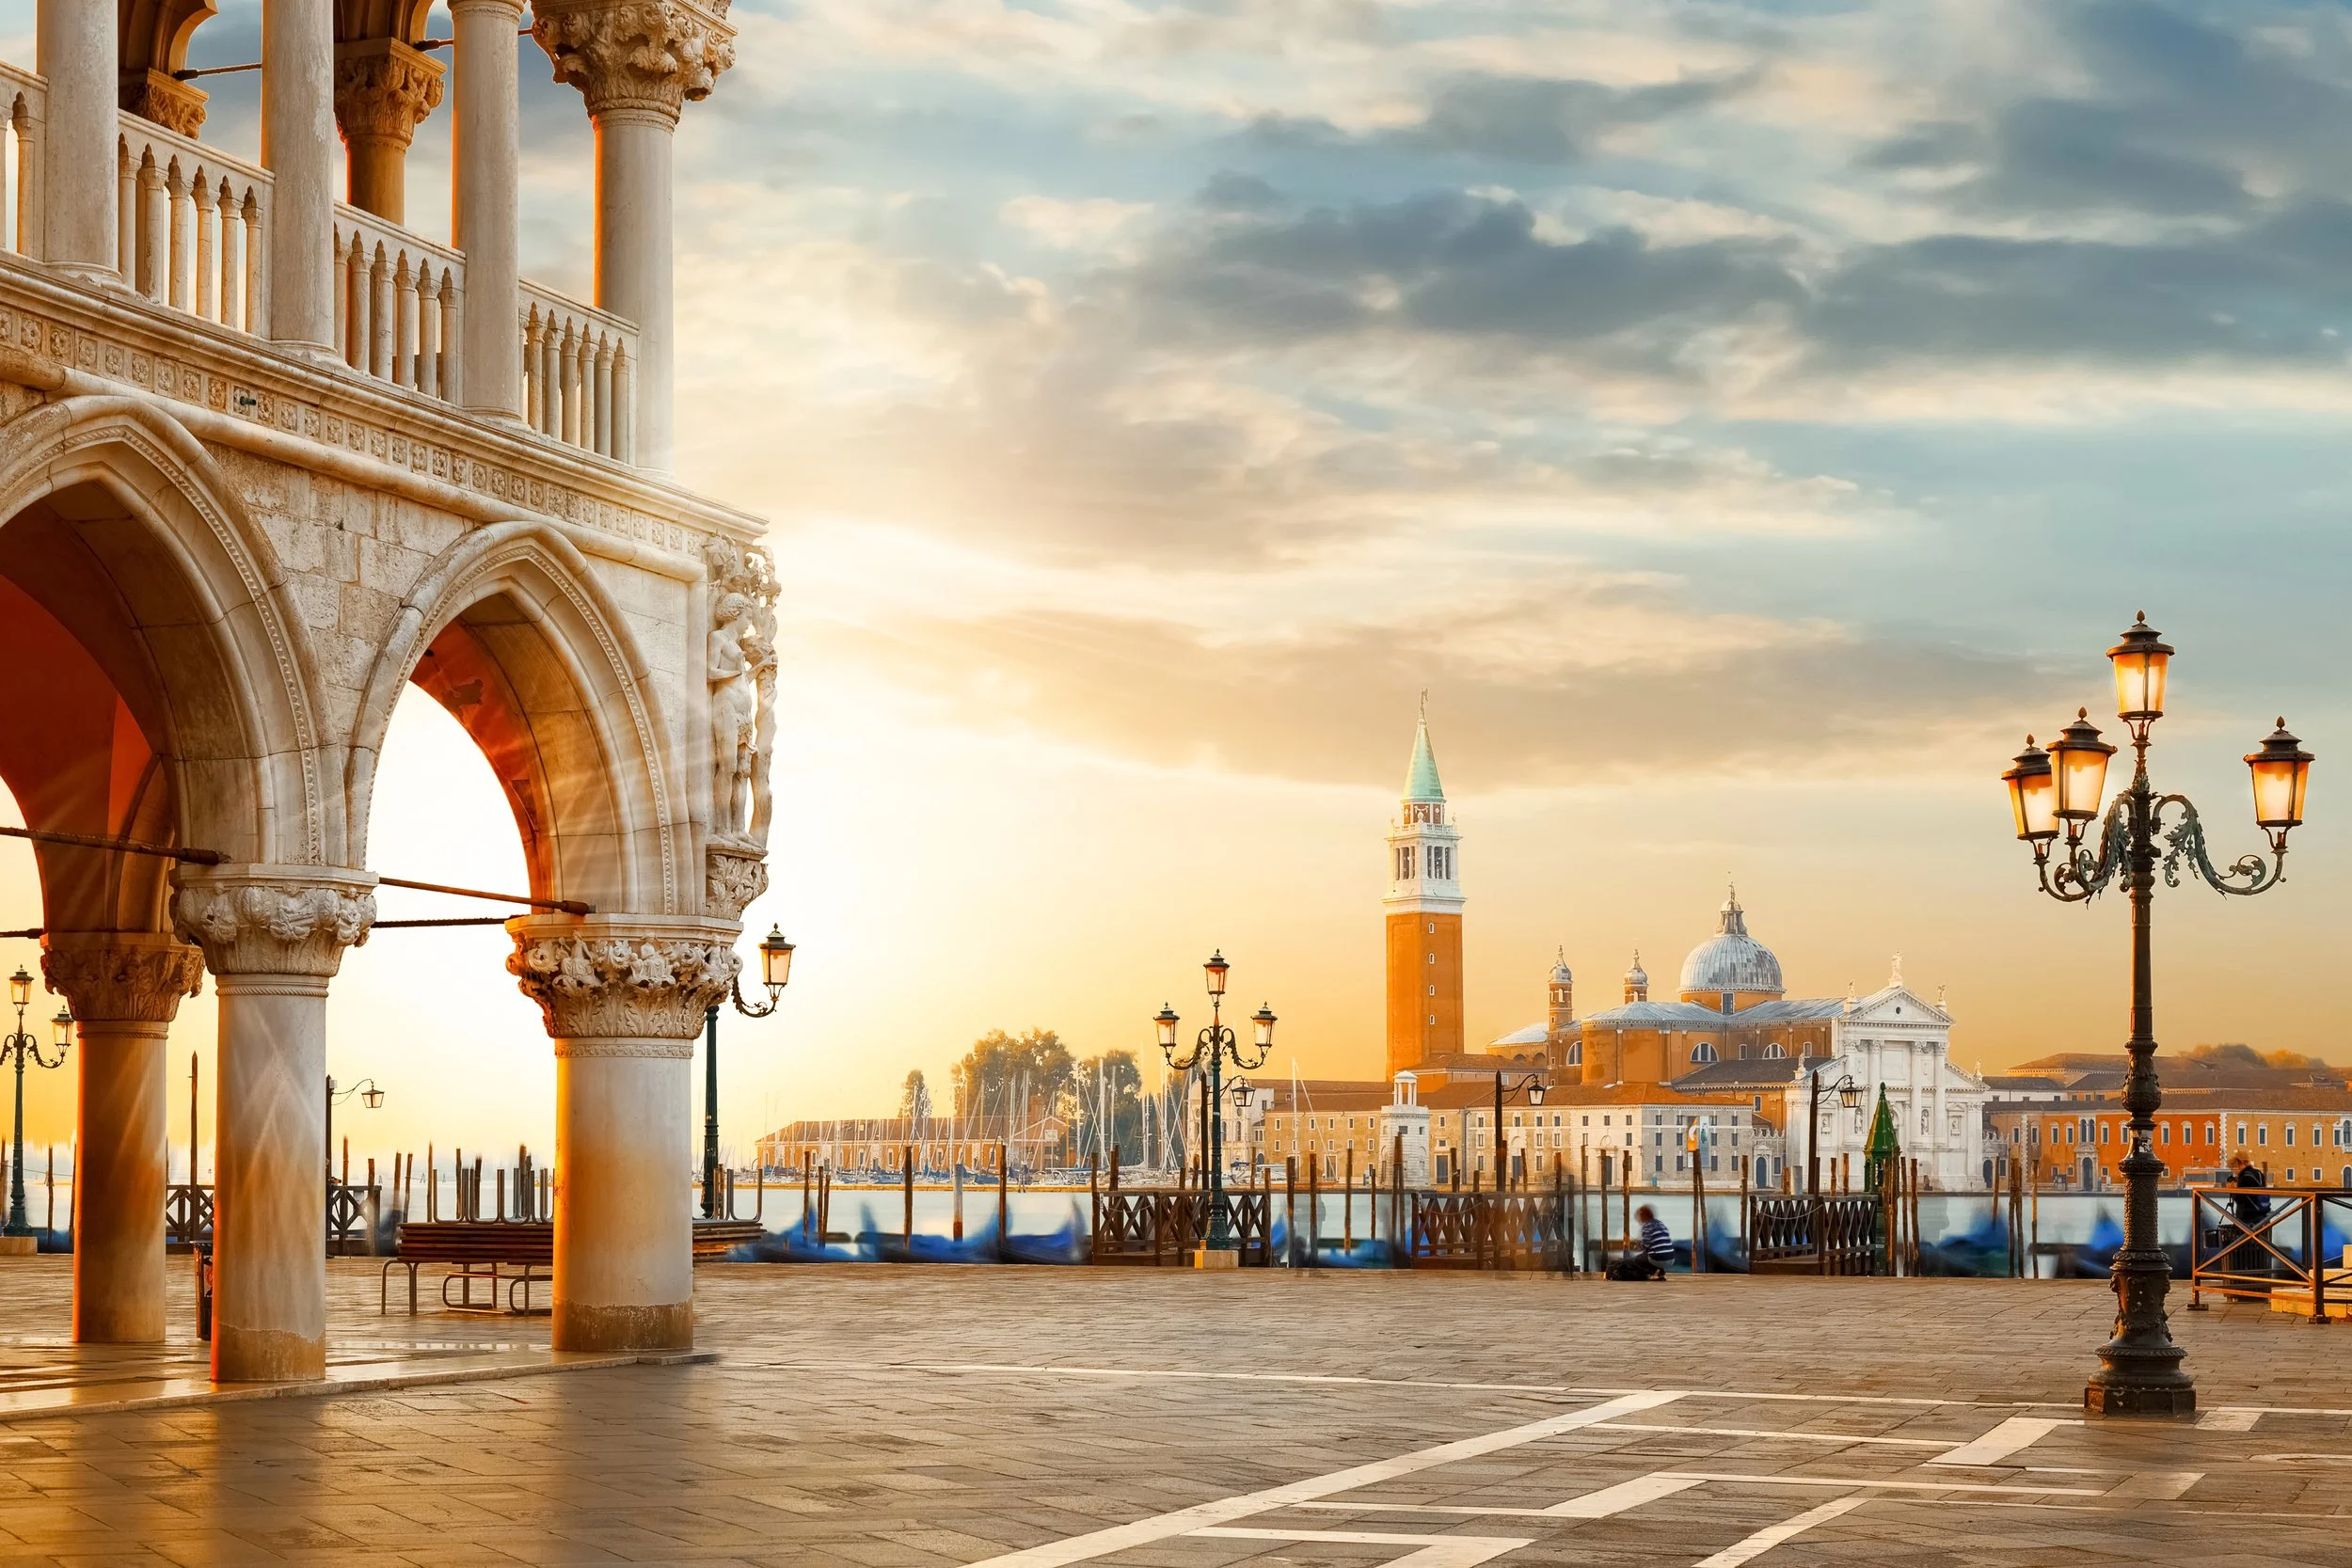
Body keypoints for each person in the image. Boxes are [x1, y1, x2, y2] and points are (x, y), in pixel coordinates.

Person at [2226, 1152, 2272, 1291]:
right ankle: (2260, 1282)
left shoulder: (2245, 1178)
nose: (2234, 1171)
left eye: (2234, 1168)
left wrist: (2232, 1189)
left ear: (2240, 1164)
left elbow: (2241, 1199)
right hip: (2262, 1215)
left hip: (2247, 1217)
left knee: (2244, 1250)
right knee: (2259, 1249)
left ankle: (2244, 1283)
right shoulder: (2258, 1174)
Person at [1609, 1205, 1675, 1280]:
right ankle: (1661, 1273)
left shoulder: (1647, 1226)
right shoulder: (1660, 1224)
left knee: (1637, 1259)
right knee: (1658, 1252)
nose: (1639, 1220)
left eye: (1639, 1217)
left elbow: (1646, 1246)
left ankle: (1644, 1274)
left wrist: (1638, 1244)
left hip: (1658, 1259)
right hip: (1670, 1258)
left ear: (1643, 1216)